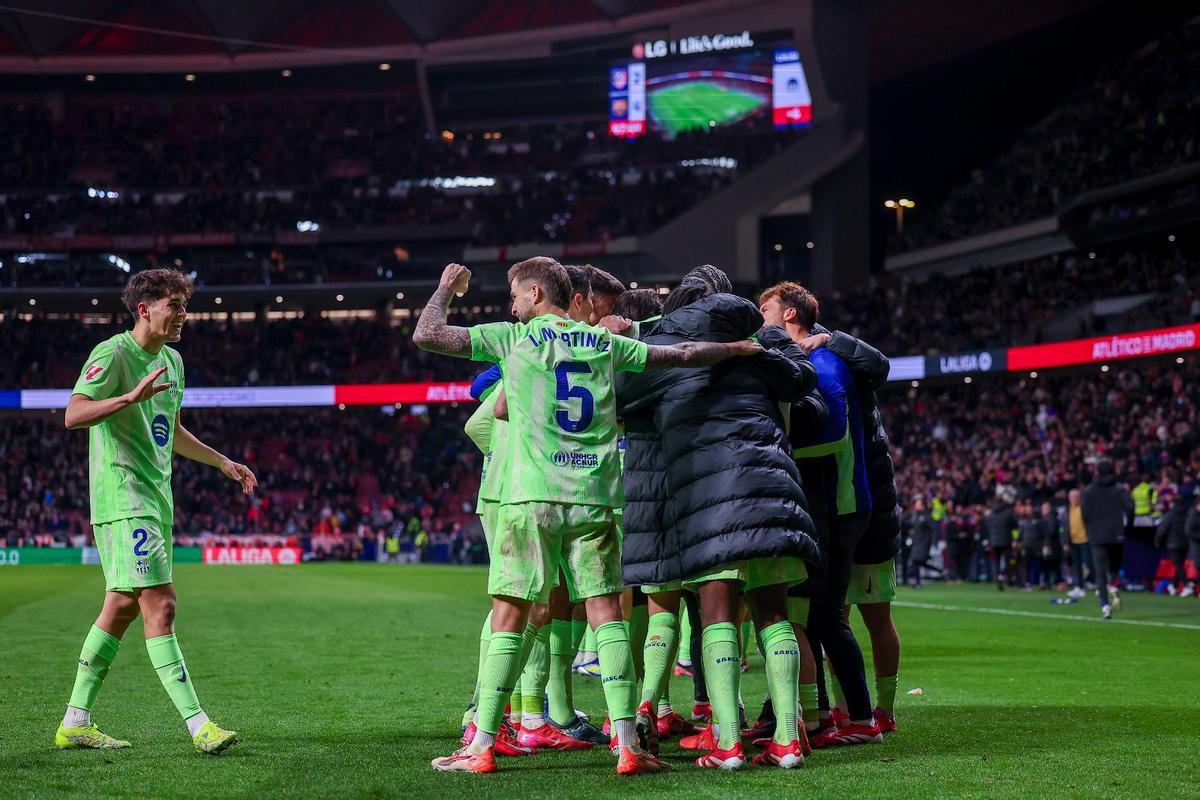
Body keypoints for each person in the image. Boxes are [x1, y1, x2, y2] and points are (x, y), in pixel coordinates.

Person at [414, 258, 761, 775]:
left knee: (510, 614)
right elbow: (682, 353)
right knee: (607, 615)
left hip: (531, 497)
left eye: (514, 295)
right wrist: (733, 349)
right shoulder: (601, 342)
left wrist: (445, 287)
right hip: (594, 495)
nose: (512, 306)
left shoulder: (515, 338)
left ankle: (482, 744)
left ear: (535, 293)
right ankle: (628, 746)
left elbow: (428, 335)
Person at [615, 266, 821, 770]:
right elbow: (804, 382)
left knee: (717, 615)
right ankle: (788, 741)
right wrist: (768, 348)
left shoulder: (663, 352)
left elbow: (619, 399)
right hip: (771, 486)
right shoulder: (758, 342)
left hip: (709, 495)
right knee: (774, 614)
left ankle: (727, 742)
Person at [57, 268, 256, 754]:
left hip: (154, 500)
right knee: (161, 605)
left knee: (121, 607)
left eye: (184, 306)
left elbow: (171, 428)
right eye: (175, 305)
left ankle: (75, 721)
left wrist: (221, 462)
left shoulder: (173, 361)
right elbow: (73, 414)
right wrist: (126, 397)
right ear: (145, 309)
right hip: (124, 498)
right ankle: (199, 725)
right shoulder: (113, 353)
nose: (183, 314)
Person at [757, 281, 883, 748]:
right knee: (811, 615)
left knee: (826, 615)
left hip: (839, 504)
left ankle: (861, 718)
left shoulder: (822, 363)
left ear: (790, 315)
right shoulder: (808, 360)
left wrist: (778, 444)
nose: (759, 316)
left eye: (765, 308)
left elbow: (832, 431)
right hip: (830, 503)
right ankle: (823, 716)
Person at [1081, 459, 1133, 619]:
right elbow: (1130, 507)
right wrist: (1127, 526)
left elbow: (1084, 513)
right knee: (1114, 569)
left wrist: (1091, 529)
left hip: (1097, 536)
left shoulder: (1089, 490)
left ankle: (1105, 606)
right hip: (1116, 535)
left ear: (1097, 472)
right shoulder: (1119, 489)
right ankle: (1114, 587)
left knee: (1100, 573)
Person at [1155, 490, 1191, 595]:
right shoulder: (1187, 514)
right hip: (1185, 544)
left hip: (1173, 543)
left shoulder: (1171, 514)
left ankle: (1186, 585)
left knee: (1178, 565)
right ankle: (1174, 586)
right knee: (1179, 565)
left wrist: (1157, 540)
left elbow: (1162, 528)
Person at [983, 497, 1018, 590]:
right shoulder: (1008, 513)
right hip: (1006, 541)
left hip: (994, 542)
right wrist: (1015, 539)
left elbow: (987, 528)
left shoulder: (990, 515)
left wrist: (989, 542)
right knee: (1008, 561)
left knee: (997, 562)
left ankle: (998, 577)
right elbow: (1015, 526)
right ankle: (1008, 579)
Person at [1066, 489, 1091, 598]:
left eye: (1076, 497)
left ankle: (1096, 583)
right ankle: (1079, 586)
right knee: (1077, 565)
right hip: (1073, 541)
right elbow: (1065, 526)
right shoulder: (1067, 510)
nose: (1074, 499)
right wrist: (1065, 541)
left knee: (1089, 563)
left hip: (1085, 539)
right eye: (1072, 497)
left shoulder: (1084, 508)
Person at [1037, 500, 1064, 589]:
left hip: (1051, 546)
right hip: (1051, 545)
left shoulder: (1051, 518)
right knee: (1049, 565)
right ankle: (1049, 582)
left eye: (1044, 508)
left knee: (1050, 565)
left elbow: (1050, 532)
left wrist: (1046, 542)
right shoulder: (1049, 518)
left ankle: (1051, 583)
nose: (1043, 510)